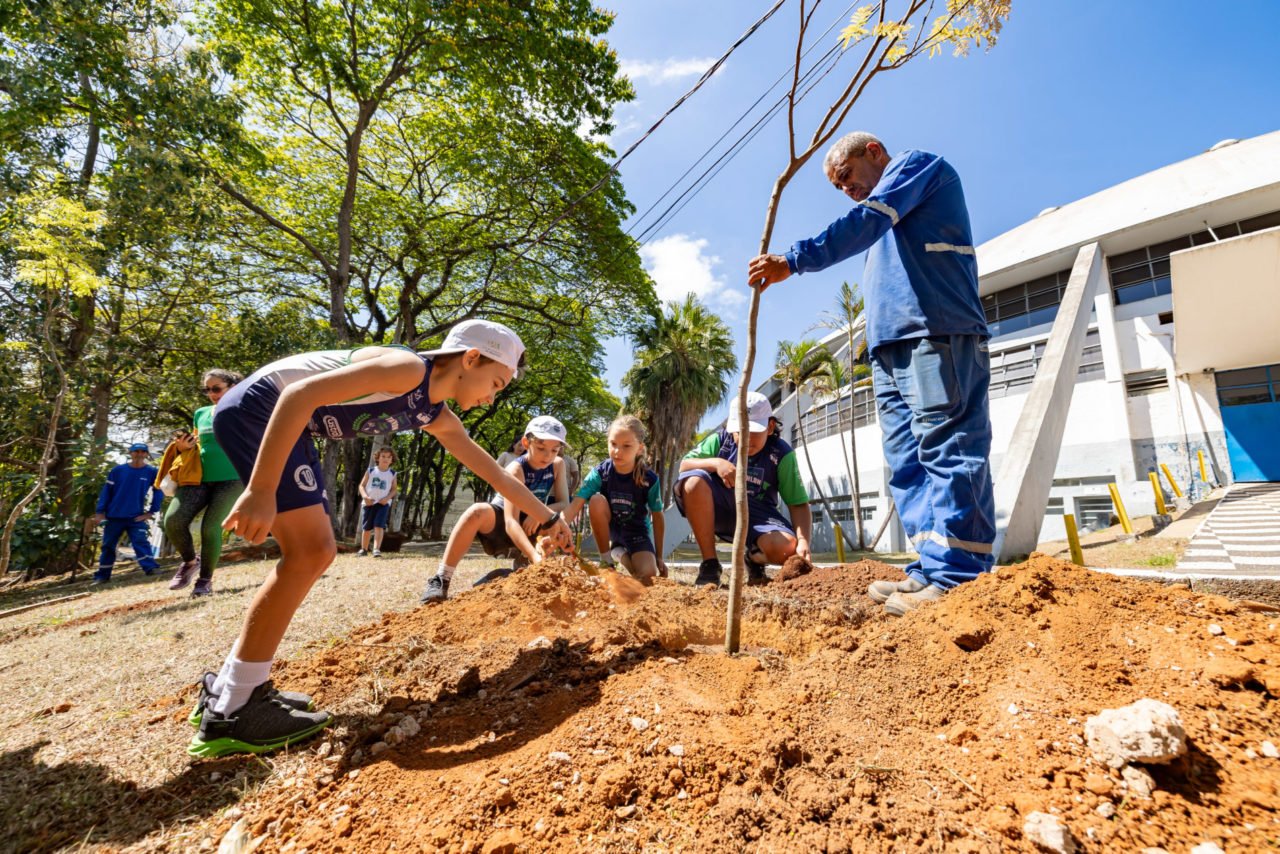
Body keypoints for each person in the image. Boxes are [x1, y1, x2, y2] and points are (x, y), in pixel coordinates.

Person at [187, 319, 573, 758]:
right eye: (496, 383)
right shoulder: (407, 369)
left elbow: (488, 469)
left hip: (281, 421)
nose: (491, 396)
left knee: (312, 552)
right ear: (470, 359)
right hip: (261, 410)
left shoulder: (433, 412)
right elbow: (297, 395)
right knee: (311, 552)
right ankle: (236, 707)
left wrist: (546, 518)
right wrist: (260, 490)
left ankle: (231, 689)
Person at [747, 131, 995, 615]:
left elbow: (865, 221)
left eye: (847, 176)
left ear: (874, 153)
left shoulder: (918, 168)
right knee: (906, 462)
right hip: (890, 347)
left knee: (948, 447)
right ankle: (931, 565)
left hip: (936, 330)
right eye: (838, 188)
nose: (847, 190)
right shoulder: (888, 220)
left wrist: (794, 260)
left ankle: (962, 574)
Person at [420, 415, 570, 603]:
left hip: (533, 521)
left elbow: (564, 503)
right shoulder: (516, 469)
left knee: (557, 523)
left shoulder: (557, 465)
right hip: (502, 521)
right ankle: (442, 579)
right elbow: (510, 521)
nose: (547, 456)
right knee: (477, 511)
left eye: (554, 450)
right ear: (525, 442)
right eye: (541, 448)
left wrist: (539, 513)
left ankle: (519, 570)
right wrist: (535, 554)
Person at [674, 392, 811, 588]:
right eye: (740, 431)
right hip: (721, 505)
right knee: (693, 481)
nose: (746, 439)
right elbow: (684, 465)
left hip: (759, 515)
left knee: (788, 548)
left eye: (753, 431)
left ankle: (754, 559)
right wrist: (716, 463)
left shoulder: (782, 454)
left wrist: (803, 540)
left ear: (770, 427)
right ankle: (710, 564)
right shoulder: (720, 442)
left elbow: (797, 503)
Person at [162, 369, 246, 597]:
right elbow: (199, 443)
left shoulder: (245, 408)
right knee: (172, 521)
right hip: (198, 478)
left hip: (233, 478)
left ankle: (205, 581)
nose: (212, 393)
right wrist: (183, 446)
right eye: (207, 389)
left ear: (232, 386)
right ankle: (190, 562)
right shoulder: (201, 413)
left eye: (216, 388)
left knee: (211, 528)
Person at [564, 415, 666, 581]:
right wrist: (558, 526)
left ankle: (620, 553)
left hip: (637, 532)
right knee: (596, 500)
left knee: (647, 574)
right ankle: (606, 560)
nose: (617, 451)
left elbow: (658, 515)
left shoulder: (650, 479)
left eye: (626, 446)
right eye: (613, 444)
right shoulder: (600, 473)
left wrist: (659, 556)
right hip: (611, 529)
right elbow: (576, 503)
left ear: (639, 448)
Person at [92, 443, 163, 583]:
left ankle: (151, 569)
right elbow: (106, 492)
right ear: (130, 453)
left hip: (135, 517)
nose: (139, 454)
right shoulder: (118, 471)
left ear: (147, 454)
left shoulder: (151, 471)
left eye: (143, 451)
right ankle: (102, 576)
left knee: (140, 542)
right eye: (136, 451)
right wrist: (100, 512)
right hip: (114, 517)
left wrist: (151, 512)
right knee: (108, 546)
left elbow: (158, 491)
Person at [355, 448, 398, 557]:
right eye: (383, 456)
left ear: (392, 460)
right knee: (367, 527)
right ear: (378, 457)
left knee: (379, 525)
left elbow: (394, 489)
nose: (386, 459)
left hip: (383, 504)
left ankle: (376, 550)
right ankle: (363, 549)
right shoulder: (371, 471)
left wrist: (387, 498)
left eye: (389, 457)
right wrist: (365, 497)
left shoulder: (392, 473)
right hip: (369, 503)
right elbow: (361, 485)